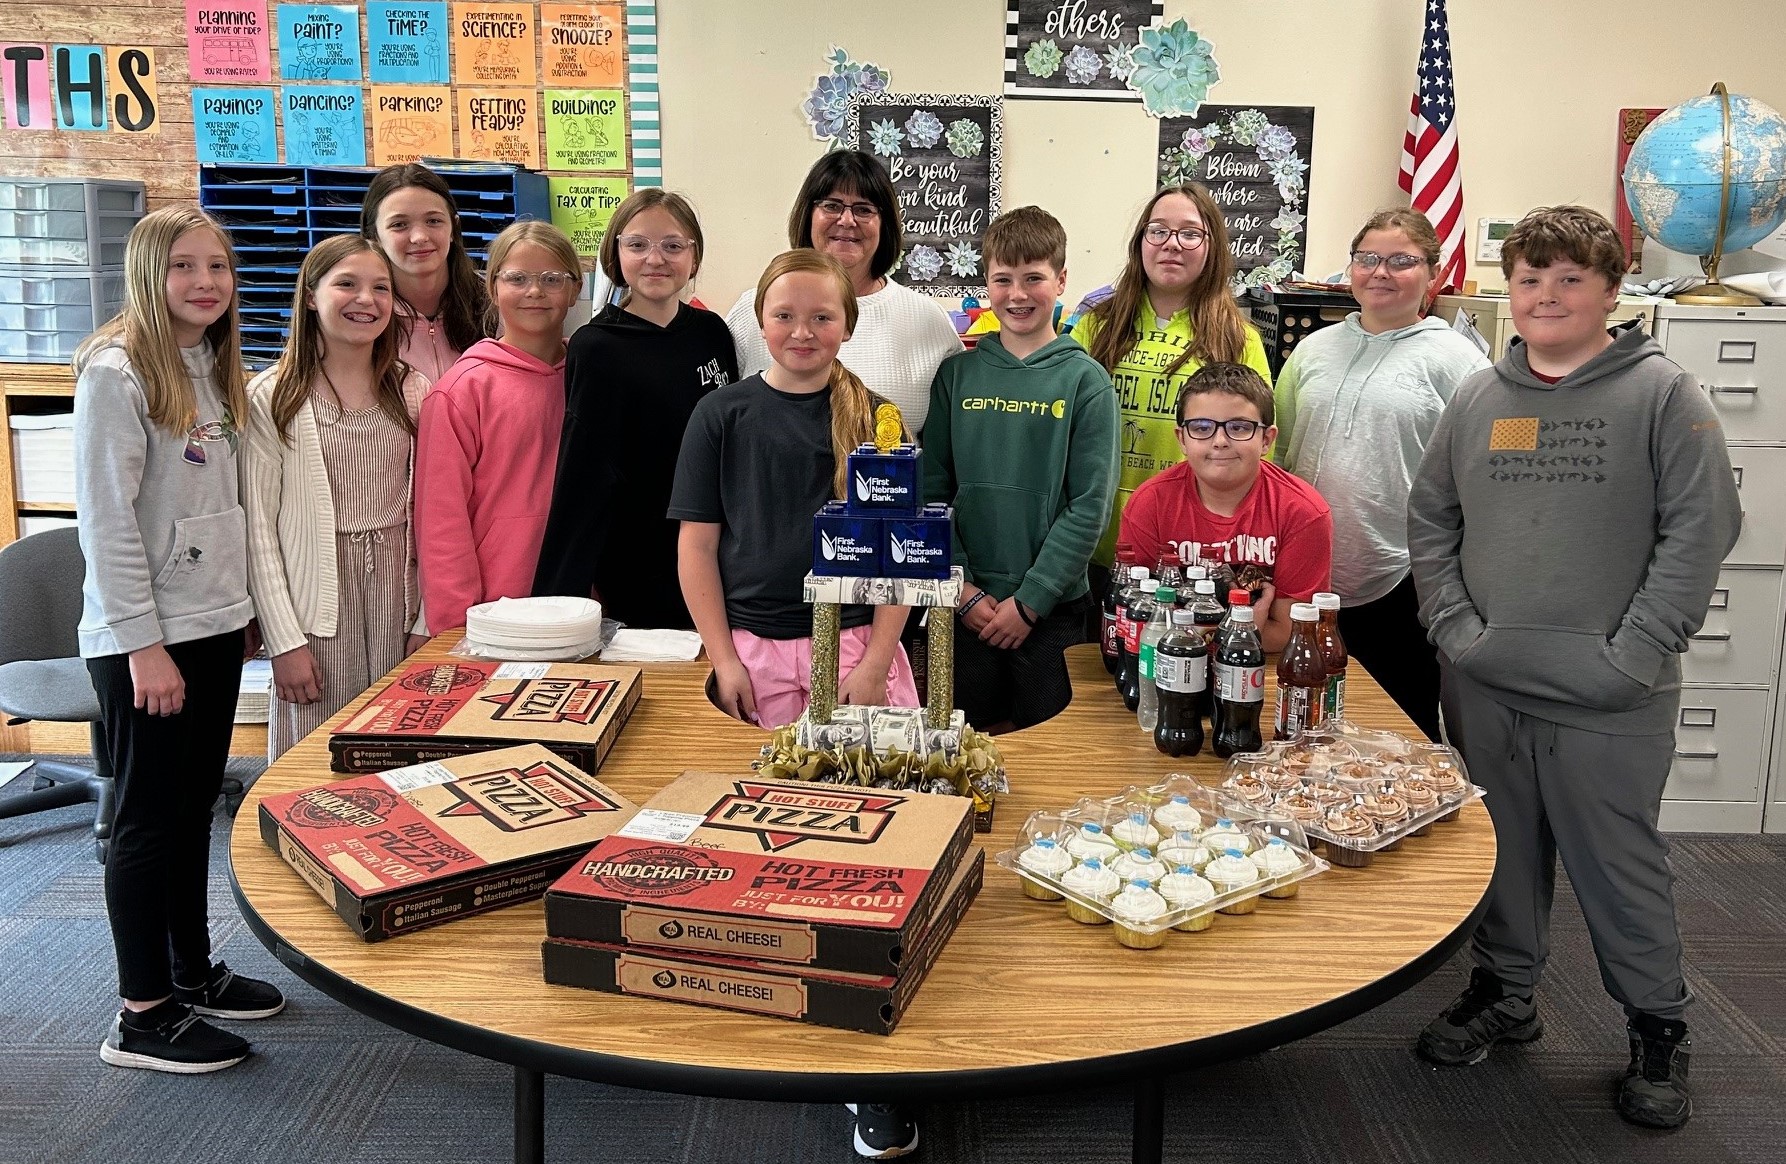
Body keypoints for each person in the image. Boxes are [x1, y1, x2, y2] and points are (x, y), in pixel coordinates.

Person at [1408, 205, 1741, 1130]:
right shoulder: (1480, 395)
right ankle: (1506, 995)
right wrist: (1452, 627)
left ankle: (1657, 1026)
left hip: (1610, 694)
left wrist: (1637, 652)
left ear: (1610, 290)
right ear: (1506, 290)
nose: (1545, 296)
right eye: (1528, 279)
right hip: (1485, 679)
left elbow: (1703, 531)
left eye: (1569, 279)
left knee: (1618, 863)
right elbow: (1431, 518)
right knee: (1502, 855)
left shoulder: (1664, 394)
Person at [73, 206, 285, 1074]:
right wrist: (142, 645)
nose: (206, 283)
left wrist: (236, 610)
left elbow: (217, 504)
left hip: (207, 626)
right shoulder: (116, 373)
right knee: (145, 822)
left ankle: (189, 974)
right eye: (184, 267)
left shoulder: (211, 363)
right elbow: (109, 524)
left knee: (192, 806)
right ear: (148, 274)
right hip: (145, 640)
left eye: (219, 268)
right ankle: (142, 1013)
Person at [671, 249, 920, 732]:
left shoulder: (880, 419)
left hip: (857, 645)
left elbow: (901, 551)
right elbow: (696, 546)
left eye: (821, 318)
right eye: (784, 315)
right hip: (751, 651)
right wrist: (724, 660)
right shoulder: (719, 415)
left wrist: (876, 662)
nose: (802, 332)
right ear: (760, 321)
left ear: (847, 325)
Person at [1272, 208, 1489, 740]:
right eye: (1367, 259)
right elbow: (1279, 455)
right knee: (1302, 714)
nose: (1381, 272)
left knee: (1399, 723)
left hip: (1404, 574)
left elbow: (1481, 479)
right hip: (1308, 570)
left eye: (1401, 261)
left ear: (1432, 276)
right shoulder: (1312, 350)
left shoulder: (1459, 362)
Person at [923, 206, 1119, 731]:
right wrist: (960, 586)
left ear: (1060, 280)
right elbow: (933, 492)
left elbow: (1088, 507)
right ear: (986, 283)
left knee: (1049, 745)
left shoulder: (1086, 382)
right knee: (964, 742)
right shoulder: (956, 376)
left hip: (1052, 610)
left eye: (1033, 278)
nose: (1017, 294)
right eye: (1002, 279)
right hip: (965, 606)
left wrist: (1029, 602)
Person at [243, 235, 429, 761]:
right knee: (313, 759)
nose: (365, 300)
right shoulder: (273, 396)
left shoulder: (412, 389)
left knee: (399, 751)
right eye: (346, 284)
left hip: (399, 601)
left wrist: (425, 621)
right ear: (310, 295)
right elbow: (259, 531)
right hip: (317, 612)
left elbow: (431, 518)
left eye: (380, 288)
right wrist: (284, 643)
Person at [533, 190, 737, 628]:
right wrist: (558, 604)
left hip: (716, 547)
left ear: (694, 257)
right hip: (640, 558)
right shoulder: (597, 346)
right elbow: (583, 475)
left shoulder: (712, 333)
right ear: (616, 253)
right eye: (638, 245)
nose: (655, 259)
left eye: (672, 245)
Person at [1070, 183, 1274, 568]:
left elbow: (1258, 451)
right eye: (1158, 230)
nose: (1172, 244)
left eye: (1191, 233)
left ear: (1211, 247)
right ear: (1140, 242)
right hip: (1090, 538)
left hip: (1190, 546)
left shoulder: (1238, 338)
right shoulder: (1095, 325)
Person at [414, 221, 582, 634]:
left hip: (580, 605)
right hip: (496, 613)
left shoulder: (589, 379)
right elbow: (442, 521)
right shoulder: (461, 391)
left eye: (551, 279)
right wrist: (456, 627)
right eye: (517, 278)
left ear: (575, 290)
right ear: (492, 287)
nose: (535, 292)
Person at [724, 150, 961, 434]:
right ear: (808, 214)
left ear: (884, 224)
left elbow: (948, 442)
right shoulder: (753, 310)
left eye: (864, 209)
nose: (847, 220)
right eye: (832, 206)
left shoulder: (927, 319)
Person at [1118, 362, 1330, 653]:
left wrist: (1190, 632)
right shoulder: (1149, 503)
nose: (1220, 441)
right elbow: (1132, 619)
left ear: (1266, 439)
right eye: (1202, 428)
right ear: (1181, 438)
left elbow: (1291, 634)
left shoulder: (1303, 511)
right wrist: (1246, 628)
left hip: (1261, 670)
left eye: (1239, 427)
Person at [360, 163, 490, 383]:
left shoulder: (495, 304)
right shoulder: (360, 314)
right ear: (374, 236)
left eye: (433, 221)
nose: (419, 236)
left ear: (453, 228)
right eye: (399, 224)